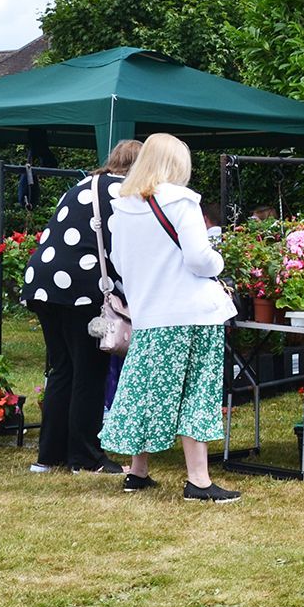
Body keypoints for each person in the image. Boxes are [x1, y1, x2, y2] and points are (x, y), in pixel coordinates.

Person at [99, 133, 241, 502]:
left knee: (149, 391)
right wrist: (219, 261)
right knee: (196, 391)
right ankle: (199, 480)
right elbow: (198, 258)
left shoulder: (122, 207)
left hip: (149, 312)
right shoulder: (182, 201)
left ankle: (138, 471)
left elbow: (118, 263)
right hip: (191, 312)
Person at [22, 139, 142, 473]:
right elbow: (126, 250)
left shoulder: (82, 185)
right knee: (90, 369)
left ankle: (50, 456)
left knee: (63, 368)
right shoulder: (125, 193)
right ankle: (86, 456)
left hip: (44, 284)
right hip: (84, 291)